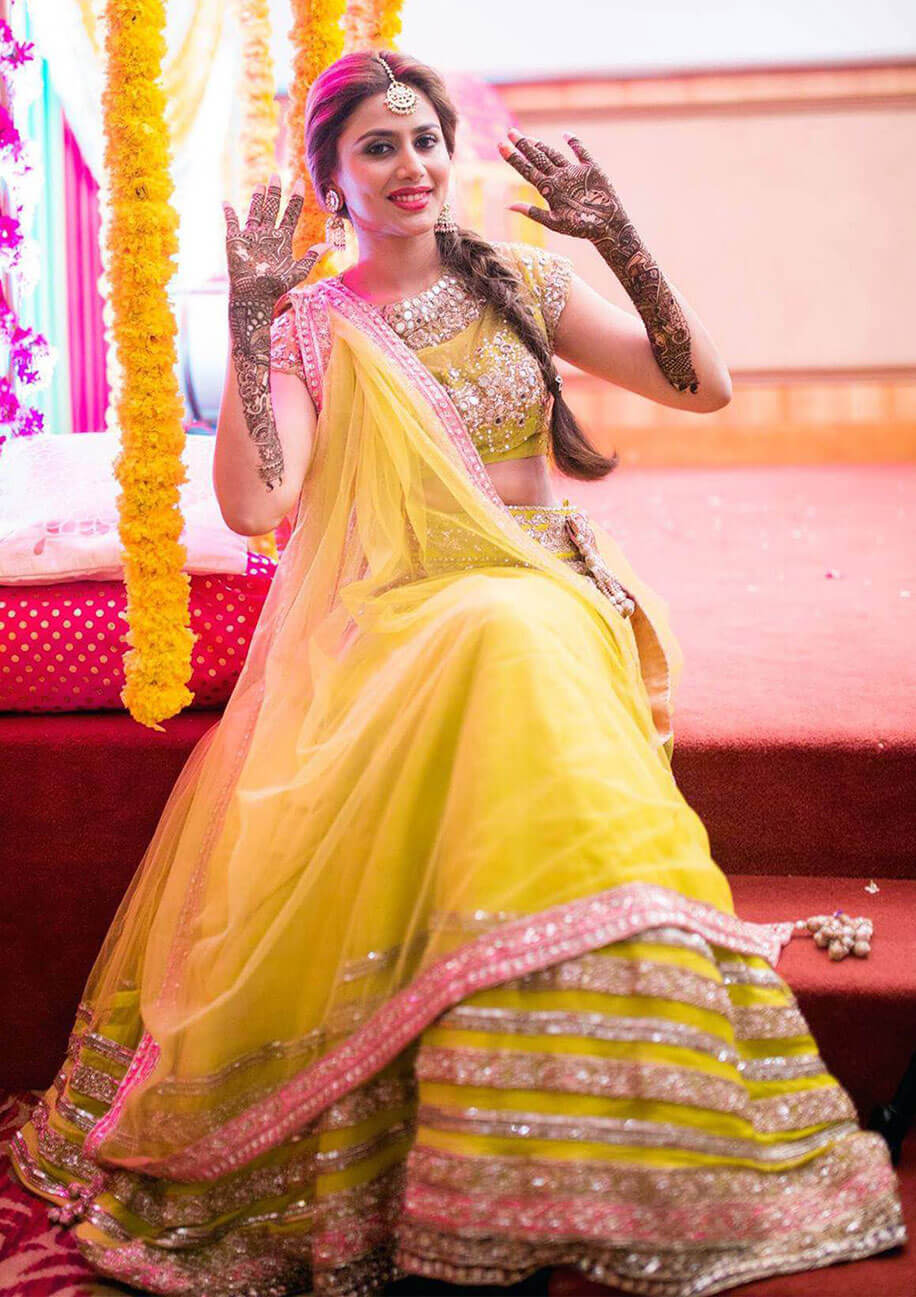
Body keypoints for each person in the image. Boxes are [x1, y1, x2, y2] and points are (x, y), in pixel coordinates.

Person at [9, 48, 906, 1297]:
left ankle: (597, 1095)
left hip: (541, 591)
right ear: (329, 178)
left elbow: (702, 389)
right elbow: (260, 506)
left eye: (424, 138)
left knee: (511, 631)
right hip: (396, 611)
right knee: (493, 637)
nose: (411, 164)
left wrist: (618, 238)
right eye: (377, 146)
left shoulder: (521, 279)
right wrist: (254, 324)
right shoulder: (314, 326)